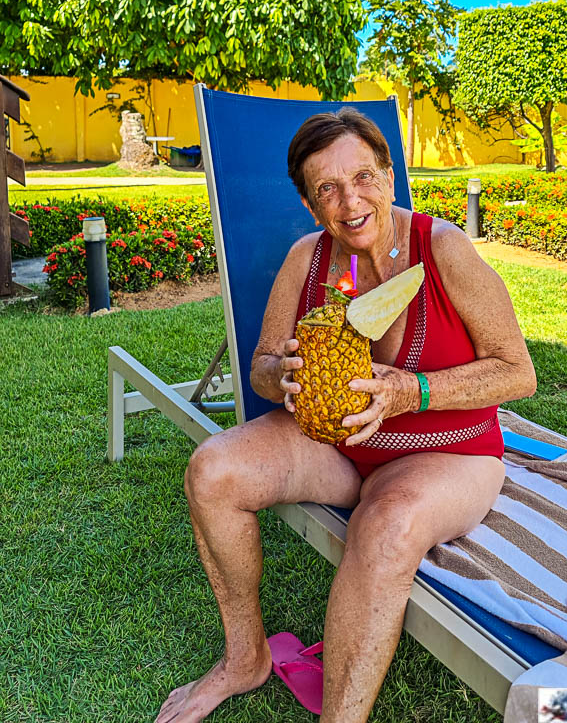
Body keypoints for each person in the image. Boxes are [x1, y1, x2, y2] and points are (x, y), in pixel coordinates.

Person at [156, 108, 536, 723]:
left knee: (386, 525)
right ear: (310, 205)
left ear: (389, 176)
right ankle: (243, 657)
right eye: (327, 189)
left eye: (363, 177)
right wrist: (278, 375)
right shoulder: (306, 258)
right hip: (334, 446)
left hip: (445, 449)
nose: (350, 200)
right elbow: (259, 364)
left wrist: (407, 392)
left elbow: (518, 371)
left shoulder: (444, 250)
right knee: (213, 470)